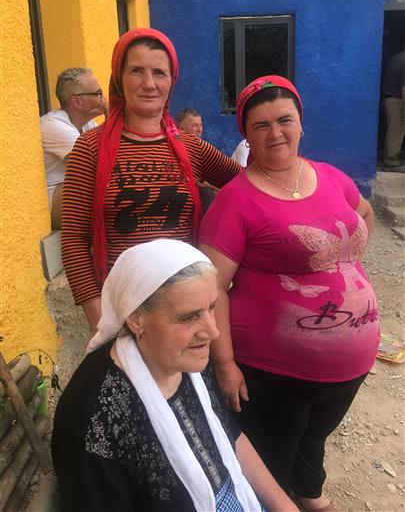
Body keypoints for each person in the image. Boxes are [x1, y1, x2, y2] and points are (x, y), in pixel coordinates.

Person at [199, 76, 380, 512]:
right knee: (270, 455)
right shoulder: (236, 200)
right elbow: (211, 288)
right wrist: (224, 364)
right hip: (273, 371)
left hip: (349, 364)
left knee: (314, 436)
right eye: (261, 125)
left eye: (285, 120)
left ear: (301, 123)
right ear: (246, 134)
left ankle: (310, 494)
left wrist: (346, 264)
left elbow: (364, 214)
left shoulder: (331, 177)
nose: (275, 132)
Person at [51, 239, 298, 512]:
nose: (213, 332)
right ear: (135, 319)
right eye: (189, 317)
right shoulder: (96, 422)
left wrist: (283, 505)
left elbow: (227, 433)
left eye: (211, 308)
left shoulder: (183, 358)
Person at [61, 28, 240, 336]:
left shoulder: (191, 147)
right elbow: (74, 239)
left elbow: (246, 188)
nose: (148, 83)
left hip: (187, 309)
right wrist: (98, 315)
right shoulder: (90, 148)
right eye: (136, 71)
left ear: (171, 81)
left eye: (159, 72)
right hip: (122, 311)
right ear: (119, 77)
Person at [40, 67, 108, 229]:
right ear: (77, 101)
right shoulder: (54, 125)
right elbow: (101, 165)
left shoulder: (87, 124)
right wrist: (111, 115)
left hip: (71, 191)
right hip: (52, 199)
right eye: (97, 93)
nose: (103, 98)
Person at [383, 46, 405, 170]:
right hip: (397, 101)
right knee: (396, 131)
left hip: (389, 99)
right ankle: (391, 160)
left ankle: (390, 157)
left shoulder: (395, 58)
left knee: (393, 130)